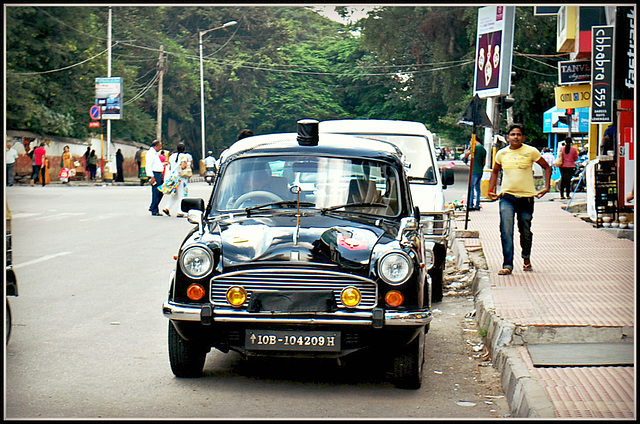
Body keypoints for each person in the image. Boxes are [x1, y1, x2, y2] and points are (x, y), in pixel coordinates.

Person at [487, 123, 551, 275]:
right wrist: (491, 190)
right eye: (513, 134)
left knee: (525, 230)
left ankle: (526, 258)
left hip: (527, 198)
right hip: (507, 197)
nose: (516, 137)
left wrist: (546, 187)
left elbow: (546, 167)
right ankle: (507, 264)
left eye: (519, 134)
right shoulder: (501, 154)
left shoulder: (531, 151)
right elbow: (495, 171)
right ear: (508, 137)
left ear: (523, 137)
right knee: (506, 229)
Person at [160, 142, 193, 217]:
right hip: (180, 178)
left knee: (175, 195)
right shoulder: (183, 156)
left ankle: (167, 208)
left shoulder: (172, 156)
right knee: (182, 194)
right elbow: (183, 166)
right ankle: (180, 211)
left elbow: (171, 166)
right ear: (184, 149)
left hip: (173, 177)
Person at [463, 138, 486, 211]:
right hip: (480, 170)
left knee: (471, 187)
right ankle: (477, 204)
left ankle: (470, 204)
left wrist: (469, 148)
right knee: (478, 189)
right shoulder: (483, 149)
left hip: (474, 170)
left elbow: (466, 155)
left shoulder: (475, 147)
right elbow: (484, 162)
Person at [145, 140, 165, 216]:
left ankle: (153, 206)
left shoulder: (155, 153)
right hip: (155, 174)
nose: (160, 148)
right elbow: (148, 165)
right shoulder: (150, 153)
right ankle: (154, 210)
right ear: (156, 146)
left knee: (161, 191)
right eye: (160, 146)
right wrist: (151, 176)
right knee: (156, 192)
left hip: (159, 174)